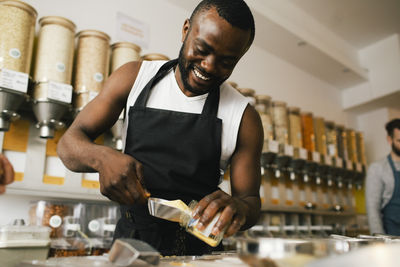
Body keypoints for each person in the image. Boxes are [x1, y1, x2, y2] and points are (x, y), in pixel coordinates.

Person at [57, 0, 263, 255]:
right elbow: (68, 144)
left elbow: (251, 201)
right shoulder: (134, 77)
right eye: (202, 49)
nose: (209, 66)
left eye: (226, 62)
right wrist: (102, 157)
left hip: (201, 254)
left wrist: (239, 209)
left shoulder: (244, 117)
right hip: (131, 246)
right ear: (186, 29)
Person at [366, 118, 400, 235]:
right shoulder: (377, 168)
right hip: (391, 237)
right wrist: (379, 240)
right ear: (389, 140)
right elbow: (373, 209)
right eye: (399, 141)